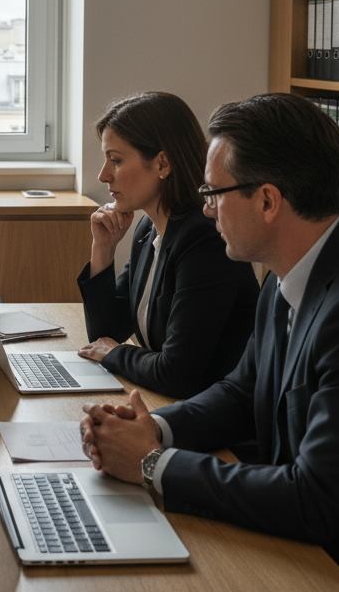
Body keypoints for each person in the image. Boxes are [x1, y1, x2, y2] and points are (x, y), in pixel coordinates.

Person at [80, 93, 339, 592]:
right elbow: (241, 392)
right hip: (301, 550)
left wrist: (152, 462)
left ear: (267, 201)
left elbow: (316, 500)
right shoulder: (289, 274)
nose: (205, 207)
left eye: (214, 193)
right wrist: (155, 427)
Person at [76, 92, 259, 398]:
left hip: (216, 423)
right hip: (165, 401)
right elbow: (104, 337)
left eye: (116, 160)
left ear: (162, 163)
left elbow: (176, 374)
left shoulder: (205, 239)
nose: (103, 175)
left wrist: (115, 354)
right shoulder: (148, 228)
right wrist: (103, 249)